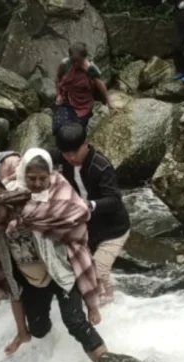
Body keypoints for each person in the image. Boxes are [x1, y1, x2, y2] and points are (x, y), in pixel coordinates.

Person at [0, 148, 107, 362]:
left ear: (4, 201)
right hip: (30, 281)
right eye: (32, 178)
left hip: (59, 272)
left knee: (75, 323)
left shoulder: (41, 203)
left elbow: (77, 213)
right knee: (38, 330)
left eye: (41, 178)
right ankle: (46, 341)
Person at [51, 123, 130, 306]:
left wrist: (89, 205)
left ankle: (111, 305)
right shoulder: (64, 155)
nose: (70, 158)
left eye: (74, 152)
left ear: (86, 143)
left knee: (98, 270)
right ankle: (104, 299)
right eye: (65, 153)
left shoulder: (101, 166)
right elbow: (40, 155)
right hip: (89, 227)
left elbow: (115, 199)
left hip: (114, 229)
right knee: (84, 269)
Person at [53, 42, 114, 134]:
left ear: (84, 58)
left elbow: (100, 84)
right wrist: (59, 95)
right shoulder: (65, 64)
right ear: (69, 57)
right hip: (68, 99)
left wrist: (109, 103)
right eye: (73, 61)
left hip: (84, 103)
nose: (76, 64)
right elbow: (58, 78)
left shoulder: (90, 68)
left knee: (77, 131)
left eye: (79, 61)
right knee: (58, 126)